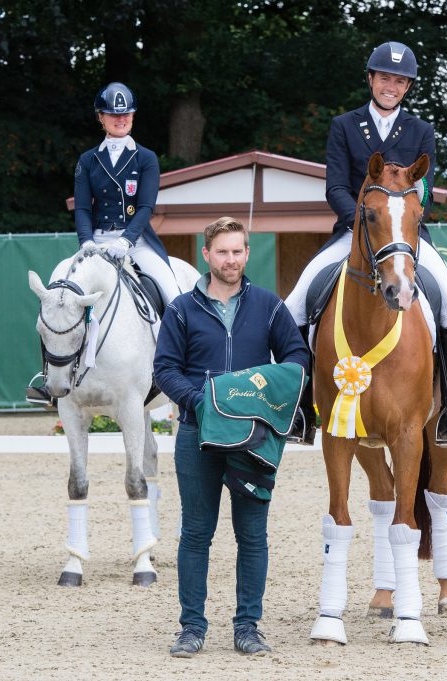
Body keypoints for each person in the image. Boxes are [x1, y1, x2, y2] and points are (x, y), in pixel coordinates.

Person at [284, 41, 447, 447]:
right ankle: (299, 408)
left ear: (407, 87)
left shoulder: (421, 131)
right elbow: (334, 185)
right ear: (371, 79)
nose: (391, 86)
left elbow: (426, 189)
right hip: (353, 234)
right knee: (295, 303)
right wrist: (359, 224)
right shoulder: (345, 126)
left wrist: (394, 226)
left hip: (404, 237)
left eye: (399, 81)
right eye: (385, 77)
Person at [153, 217, 309, 658]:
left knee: (253, 536)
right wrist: (204, 401)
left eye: (238, 251)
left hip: (252, 440)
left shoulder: (269, 305)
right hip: (197, 434)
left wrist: (264, 395)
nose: (231, 260)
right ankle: (192, 627)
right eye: (222, 252)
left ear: (246, 252)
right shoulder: (182, 308)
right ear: (207, 255)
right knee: (196, 533)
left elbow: (297, 356)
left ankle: (248, 627)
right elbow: (164, 368)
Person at [26, 81, 182, 407]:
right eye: (113, 114)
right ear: (101, 117)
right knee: (58, 297)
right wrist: (86, 242)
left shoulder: (146, 158)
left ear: (133, 116)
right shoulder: (88, 160)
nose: (120, 119)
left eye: (125, 114)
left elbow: (145, 207)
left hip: (135, 242)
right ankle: (49, 377)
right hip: (95, 242)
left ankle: (184, 364)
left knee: (173, 293)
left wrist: (126, 240)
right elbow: (83, 207)